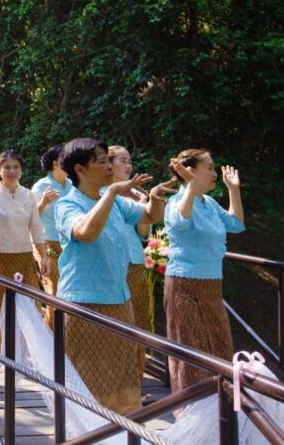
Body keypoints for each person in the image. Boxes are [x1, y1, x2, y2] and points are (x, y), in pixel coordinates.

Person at [54, 138, 175, 414]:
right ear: (80, 170)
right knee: (90, 375)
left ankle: (120, 431)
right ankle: (88, 433)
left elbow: (149, 216)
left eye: (109, 160)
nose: (109, 167)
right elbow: (85, 233)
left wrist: (156, 197)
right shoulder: (67, 204)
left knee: (121, 374)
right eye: (101, 162)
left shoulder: (117, 204)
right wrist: (110, 194)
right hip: (85, 304)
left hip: (120, 301)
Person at [165, 149, 245, 393]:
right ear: (190, 171)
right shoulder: (176, 201)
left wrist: (233, 189)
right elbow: (180, 221)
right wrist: (189, 185)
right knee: (190, 347)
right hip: (183, 284)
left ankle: (221, 408)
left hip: (212, 285)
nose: (214, 173)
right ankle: (188, 409)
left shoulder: (208, 203)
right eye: (208, 167)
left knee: (220, 344)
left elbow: (236, 225)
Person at [0, 151, 50, 352]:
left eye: (15, 167)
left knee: (31, 304)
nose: (11, 171)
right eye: (7, 167)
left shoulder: (28, 195)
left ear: (21, 169)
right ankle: (0, 348)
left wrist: (43, 255)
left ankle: (28, 348)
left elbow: (36, 226)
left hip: (25, 256)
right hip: (0, 256)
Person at [108, 145, 152, 377]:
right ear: (109, 164)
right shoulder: (99, 193)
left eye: (129, 161)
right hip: (109, 265)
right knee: (114, 322)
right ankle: (115, 378)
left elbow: (144, 234)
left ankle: (135, 379)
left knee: (138, 320)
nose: (128, 166)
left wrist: (145, 204)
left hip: (134, 262)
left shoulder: (137, 197)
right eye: (122, 161)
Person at [31, 144, 69, 299]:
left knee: (67, 292)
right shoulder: (41, 186)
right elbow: (30, 217)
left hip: (69, 244)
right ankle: (52, 324)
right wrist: (44, 202)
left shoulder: (73, 185)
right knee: (53, 291)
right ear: (55, 163)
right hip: (47, 243)